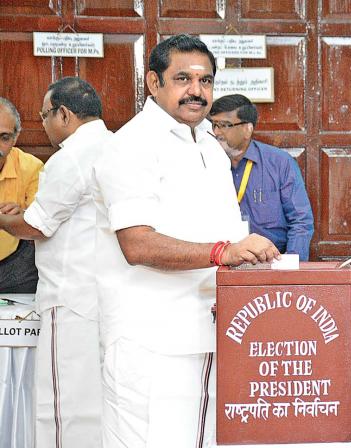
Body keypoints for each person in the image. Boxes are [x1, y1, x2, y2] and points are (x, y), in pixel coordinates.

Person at [93, 34, 279, 447]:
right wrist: (222, 252)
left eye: (206, 81)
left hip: (210, 333)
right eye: (183, 79)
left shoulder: (210, 148)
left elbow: (229, 239)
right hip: (151, 342)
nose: (197, 91)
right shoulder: (131, 145)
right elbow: (136, 244)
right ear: (153, 83)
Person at [0, 77, 111, 448]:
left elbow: (37, 227)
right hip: (104, 296)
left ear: (63, 114)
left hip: (70, 300)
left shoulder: (71, 156)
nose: (44, 125)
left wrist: (5, 218)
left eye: (45, 116)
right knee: (98, 400)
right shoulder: (115, 147)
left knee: (63, 406)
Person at [208, 94, 314, 260]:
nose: (216, 132)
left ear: (247, 129)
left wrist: (292, 266)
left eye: (225, 125)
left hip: (269, 262)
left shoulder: (279, 163)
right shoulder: (204, 162)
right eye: (214, 125)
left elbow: (300, 221)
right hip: (218, 262)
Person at [0, 97, 43, 293]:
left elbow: (42, 224)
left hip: (16, 267)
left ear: (16, 138)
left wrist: (24, 214)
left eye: (4, 137)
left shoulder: (31, 167)